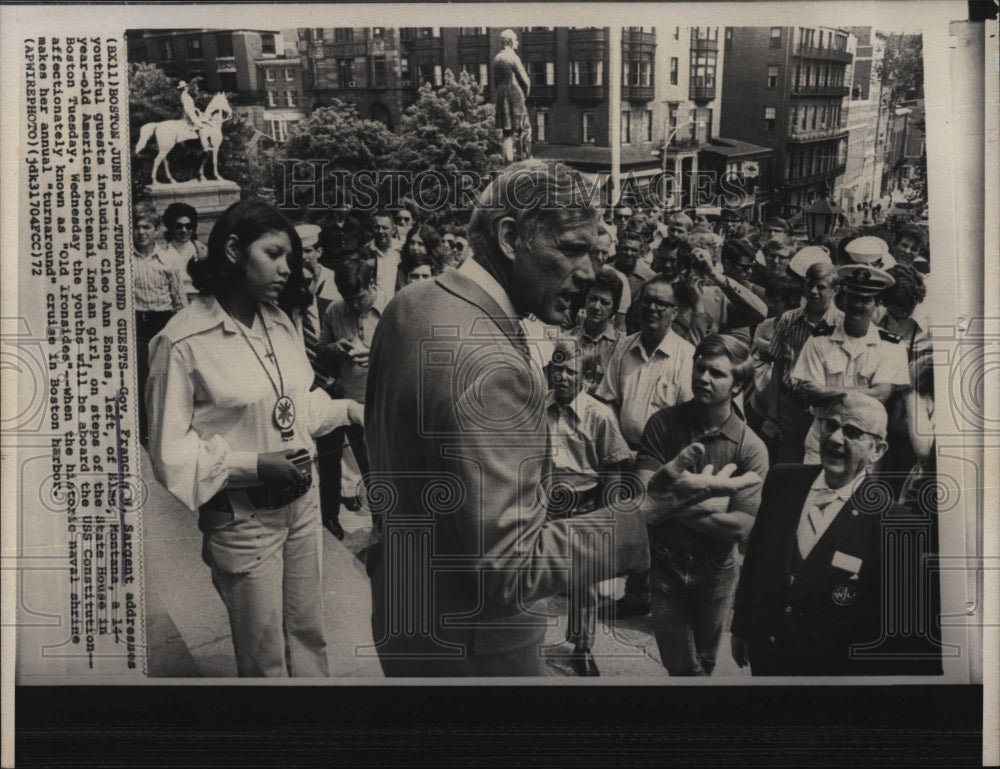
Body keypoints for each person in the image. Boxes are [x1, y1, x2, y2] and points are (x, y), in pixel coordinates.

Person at [364, 160, 661, 676]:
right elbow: (509, 566)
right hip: (476, 649)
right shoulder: (493, 365)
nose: (590, 272)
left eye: (594, 252)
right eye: (571, 248)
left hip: (405, 613)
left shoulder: (409, 305)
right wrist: (646, 518)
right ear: (509, 237)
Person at [146, 199, 364, 677]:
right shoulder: (180, 342)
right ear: (233, 250)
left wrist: (350, 410)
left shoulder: (280, 321)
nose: (289, 269)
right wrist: (255, 465)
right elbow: (169, 454)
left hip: (303, 509)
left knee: (309, 638)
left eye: (291, 257)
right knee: (264, 659)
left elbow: (297, 407)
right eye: (274, 254)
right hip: (244, 521)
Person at [730, 392, 942, 676]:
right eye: (830, 426)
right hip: (767, 655)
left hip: (831, 671)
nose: (834, 438)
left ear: (877, 451)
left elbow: (892, 626)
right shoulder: (783, 480)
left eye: (852, 432)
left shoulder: (894, 522)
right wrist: (742, 626)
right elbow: (756, 557)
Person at [636, 334, 769, 676]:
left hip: (716, 569)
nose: (703, 378)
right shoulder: (663, 423)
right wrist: (709, 507)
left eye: (717, 373)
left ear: (737, 385)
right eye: (700, 368)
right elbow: (641, 495)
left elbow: (740, 526)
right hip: (664, 562)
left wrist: (668, 503)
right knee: (678, 664)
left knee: (706, 660)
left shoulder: (750, 448)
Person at [596, 275, 696, 618]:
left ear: (675, 311)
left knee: (660, 533)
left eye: (662, 304)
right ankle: (635, 595)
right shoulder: (624, 346)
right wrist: (616, 444)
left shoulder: (685, 356)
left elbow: (688, 416)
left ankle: (661, 600)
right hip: (622, 451)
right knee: (627, 525)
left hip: (664, 459)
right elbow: (606, 399)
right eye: (648, 301)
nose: (653, 308)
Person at [543, 340, 633, 676]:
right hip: (545, 506)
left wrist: (607, 521)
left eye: (571, 370)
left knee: (586, 585)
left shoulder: (599, 415)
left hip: (584, 507)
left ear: (586, 377)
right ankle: (521, 641)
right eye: (558, 367)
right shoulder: (539, 408)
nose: (562, 376)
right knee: (531, 574)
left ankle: (582, 647)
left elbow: (613, 469)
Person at [792, 264, 910, 464]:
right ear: (843, 299)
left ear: (878, 304)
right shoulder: (819, 340)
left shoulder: (892, 346)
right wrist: (865, 391)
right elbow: (812, 395)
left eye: (865, 300)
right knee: (814, 491)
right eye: (853, 297)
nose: (857, 305)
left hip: (866, 440)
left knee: (856, 494)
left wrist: (826, 391)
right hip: (823, 435)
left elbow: (880, 395)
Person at [320, 256, 387, 517]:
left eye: (359, 298)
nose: (354, 305)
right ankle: (382, 529)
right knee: (370, 473)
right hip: (355, 405)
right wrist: (334, 349)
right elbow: (320, 354)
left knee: (396, 472)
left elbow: (411, 357)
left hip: (387, 404)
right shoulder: (335, 311)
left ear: (371, 285)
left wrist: (377, 357)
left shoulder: (392, 307)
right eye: (348, 300)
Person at [764, 261, 843, 463]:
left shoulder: (843, 325)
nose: (814, 292)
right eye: (810, 285)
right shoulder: (788, 320)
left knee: (818, 467)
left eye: (821, 287)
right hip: (789, 408)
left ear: (835, 290)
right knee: (788, 466)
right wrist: (772, 416)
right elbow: (776, 370)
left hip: (825, 411)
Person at [132, 201, 187, 445]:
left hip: (163, 324)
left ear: (156, 230)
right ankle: (146, 435)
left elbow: (179, 300)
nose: (141, 232)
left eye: (146, 227)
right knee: (143, 381)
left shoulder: (168, 260)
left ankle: (169, 432)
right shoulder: (125, 261)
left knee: (166, 381)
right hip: (138, 328)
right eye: (136, 227)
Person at [569, 268, 626, 395]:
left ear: (614, 307)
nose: (596, 307)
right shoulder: (567, 338)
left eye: (604, 302)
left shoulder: (623, 346)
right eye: (592, 298)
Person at [493, 29, 530, 164]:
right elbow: (525, 81)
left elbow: (496, 82)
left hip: (502, 96)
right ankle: (524, 160)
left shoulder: (497, 58)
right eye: (515, 40)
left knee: (506, 131)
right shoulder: (513, 57)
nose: (517, 43)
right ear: (509, 41)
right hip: (515, 96)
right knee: (523, 128)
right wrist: (524, 97)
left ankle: (507, 161)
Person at [159, 202, 207, 302]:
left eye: (188, 226)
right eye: (179, 226)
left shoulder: (201, 250)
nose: (184, 230)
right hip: (174, 301)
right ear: (171, 227)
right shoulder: (163, 252)